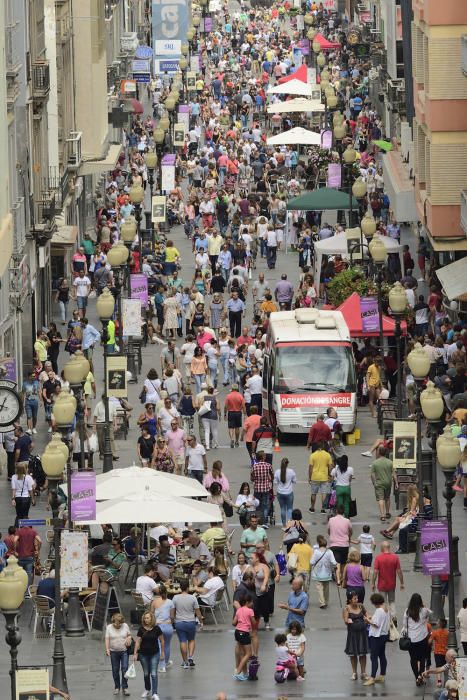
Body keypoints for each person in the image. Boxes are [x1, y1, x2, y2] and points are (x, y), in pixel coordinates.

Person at [170, 578, 204, 669]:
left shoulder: (175, 598)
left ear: (180, 588)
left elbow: (172, 613)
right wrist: (201, 622)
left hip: (179, 622)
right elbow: (198, 612)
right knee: (191, 640)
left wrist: (172, 622)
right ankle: (190, 657)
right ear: (188, 588)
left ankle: (185, 662)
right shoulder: (193, 598)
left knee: (182, 641)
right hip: (191, 622)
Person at [134, 611, 165, 700]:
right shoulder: (141, 629)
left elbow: (162, 640)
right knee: (146, 673)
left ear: (152, 619)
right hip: (143, 654)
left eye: (148, 618)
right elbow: (138, 641)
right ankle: (147, 689)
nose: (146, 619)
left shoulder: (157, 629)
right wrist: (135, 653)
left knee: (154, 674)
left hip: (155, 653)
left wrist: (162, 652)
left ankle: (155, 693)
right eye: (145, 618)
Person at [402, 593, 431, 685]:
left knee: (413, 659)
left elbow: (404, 624)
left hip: (411, 639)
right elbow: (431, 613)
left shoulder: (407, 611)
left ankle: (417, 676)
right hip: (422, 638)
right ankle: (421, 675)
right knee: (422, 658)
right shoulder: (423, 610)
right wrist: (424, 606)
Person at [371, 541, 404, 621]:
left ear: (382, 548)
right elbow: (399, 571)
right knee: (392, 601)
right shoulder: (395, 557)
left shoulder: (378, 558)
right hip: (392, 584)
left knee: (383, 602)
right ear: (389, 547)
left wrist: (373, 583)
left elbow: (375, 572)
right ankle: (393, 616)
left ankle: (385, 619)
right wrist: (402, 582)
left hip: (382, 584)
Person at [363, 593, 390, 686]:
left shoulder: (379, 610)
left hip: (376, 636)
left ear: (376, 602)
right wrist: (372, 618)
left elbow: (376, 624)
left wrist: (368, 620)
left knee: (373, 657)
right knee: (382, 655)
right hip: (384, 635)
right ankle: (382, 674)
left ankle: (372, 677)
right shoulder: (386, 609)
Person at [343, 590, 369, 681]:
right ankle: (354, 672)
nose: (356, 599)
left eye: (357, 598)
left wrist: (367, 619)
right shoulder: (347, 608)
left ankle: (363, 672)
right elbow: (345, 620)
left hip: (362, 633)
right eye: (354, 598)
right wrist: (348, 621)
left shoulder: (361, 606)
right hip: (352, 634)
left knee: (363, 654)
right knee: (353, 654)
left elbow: (367, 615)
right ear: (350, 600)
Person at [105, 613, 132, 696]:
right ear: (113, 622)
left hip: (124, 651)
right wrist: (107, 649)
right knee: (115, 670)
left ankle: (125, 687)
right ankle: (117, 687)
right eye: (116, 623)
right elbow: (107, 638)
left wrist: (128, 638)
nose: (118, 625)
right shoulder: (109, 627)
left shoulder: (125, 625)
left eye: (120, 623)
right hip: (113, 651)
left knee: (125, 668)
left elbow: (129, 635)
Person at [150, 584, 175, 672]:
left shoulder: (154, 602)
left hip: (158, 626)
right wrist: (171, 624)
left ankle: (161, 666)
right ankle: (166, 662)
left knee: (159, 645)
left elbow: (151, 615)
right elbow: (172, 616)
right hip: (168, 626)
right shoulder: (170, 602)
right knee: (167, 645)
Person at [370, 447, 398, 522]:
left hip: (379, 483)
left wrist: (374, 482)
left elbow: (372, 474)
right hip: (388, 483)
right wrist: (396, 483)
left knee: (380, 499)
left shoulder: (375, 463)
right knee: (387, 498)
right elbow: (394, 473)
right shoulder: (390, 462)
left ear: (379, 453)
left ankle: (382, 515)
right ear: (386, 453)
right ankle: (387, 512)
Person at [328, 505, 352, 586]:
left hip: (334, 544)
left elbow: (328, 530)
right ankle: (342, 578)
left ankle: (338, 579)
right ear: (343, 512)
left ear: (336, 511)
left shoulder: (331, 520)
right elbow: (350, 531)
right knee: (343, 563)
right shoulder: (347, 521)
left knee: (337, 563)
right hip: (344, 544)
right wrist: (349, 537)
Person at [311, 535, 337, 609]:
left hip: (318, 573)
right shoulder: (329, 552)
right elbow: (334, 562)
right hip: (327, 573)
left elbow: (312, 562)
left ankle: (322, 602)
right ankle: (326, 601)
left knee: (319, 588)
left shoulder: (316, 552)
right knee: (326, 588)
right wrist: (335, 566)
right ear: (326, 545)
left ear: (319, 544)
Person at [232, 594, 255, 681]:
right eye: (251, 602)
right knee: (248, 654)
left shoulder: (238, 610)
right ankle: (238, 672)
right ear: (247, 602)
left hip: (237, 632)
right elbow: (253, 622)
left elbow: (234, 623)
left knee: (243, 654)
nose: (252, 603)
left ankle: (245, 674)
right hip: (244, 633)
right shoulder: (250, 611)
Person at [250, 451, 273, 526]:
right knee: (265, 505)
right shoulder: (268, 465)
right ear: (263, 457)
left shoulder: (254, 466)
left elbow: (252, 478)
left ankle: (258, 521)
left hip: (257, 488)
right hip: (266, 488)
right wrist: (269, 478)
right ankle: (265, 521)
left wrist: (256, 479)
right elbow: (272, 476)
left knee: (257, 505)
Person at [308, 441, 332, 513]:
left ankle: (312, 508)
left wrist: (309, 477)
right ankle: (323, 509)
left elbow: (310, 468)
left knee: (313, 493)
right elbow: (330, 467)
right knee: (324, 493)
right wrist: (329, 475)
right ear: (324, 447)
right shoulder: (328, 455)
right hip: (324, 477)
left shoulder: (313, 455)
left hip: (314, 477)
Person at [274, 457, 297, 527]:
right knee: (290, 508)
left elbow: (275, 482)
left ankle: (284, 524)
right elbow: (294, 481)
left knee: (282, 508)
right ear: (287, 464)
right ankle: (289, 524)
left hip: (280, 492)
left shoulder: (277, 471)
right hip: (289, 492)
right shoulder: (291, 471)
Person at [224, 383, 246, 448]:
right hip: (238, 413)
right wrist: (244, 414)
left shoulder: (228, 396)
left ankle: (232, 439)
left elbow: (225, 406)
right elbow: (243, 406)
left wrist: (225, 413)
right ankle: (236, 440)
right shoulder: (240, 396)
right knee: (237, 427)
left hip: (231, 412)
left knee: (231, 427)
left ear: (232, 389)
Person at [430, 619, 449, 687]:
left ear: (439, 624)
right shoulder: (447, 632)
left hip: (438, 652)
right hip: (446, 652)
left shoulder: (435, 632)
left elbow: (429, 641)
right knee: (446, 667)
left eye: (437, 622)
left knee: (438, 667)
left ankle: (439, 682)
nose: (436, 623)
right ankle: (446, 681)